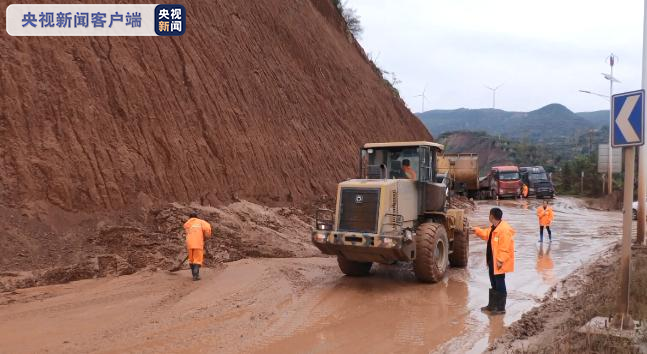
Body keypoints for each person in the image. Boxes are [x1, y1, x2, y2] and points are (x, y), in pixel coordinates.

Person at [473, 207, 516, 315]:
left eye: (489, 214)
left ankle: (500, 308)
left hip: (499, 261)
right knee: (493, 282)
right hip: (492, 260)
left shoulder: (504, 230)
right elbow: (486, 234)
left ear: (492, 216)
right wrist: (476, 230)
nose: (488, 216)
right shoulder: (494, 228)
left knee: (500, 283)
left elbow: (505, 248)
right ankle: (492, 306)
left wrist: (500, 261)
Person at [183, 211, 213, 281]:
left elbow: (188, 231)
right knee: (197, 259)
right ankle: (196, 274)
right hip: (198, 242)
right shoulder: (200, 222)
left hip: (189, 243)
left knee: (191, 259)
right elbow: (207, 228)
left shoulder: (187, 223)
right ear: (196, 217)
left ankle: (194, 275)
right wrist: (206, 236)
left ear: (190, 217)